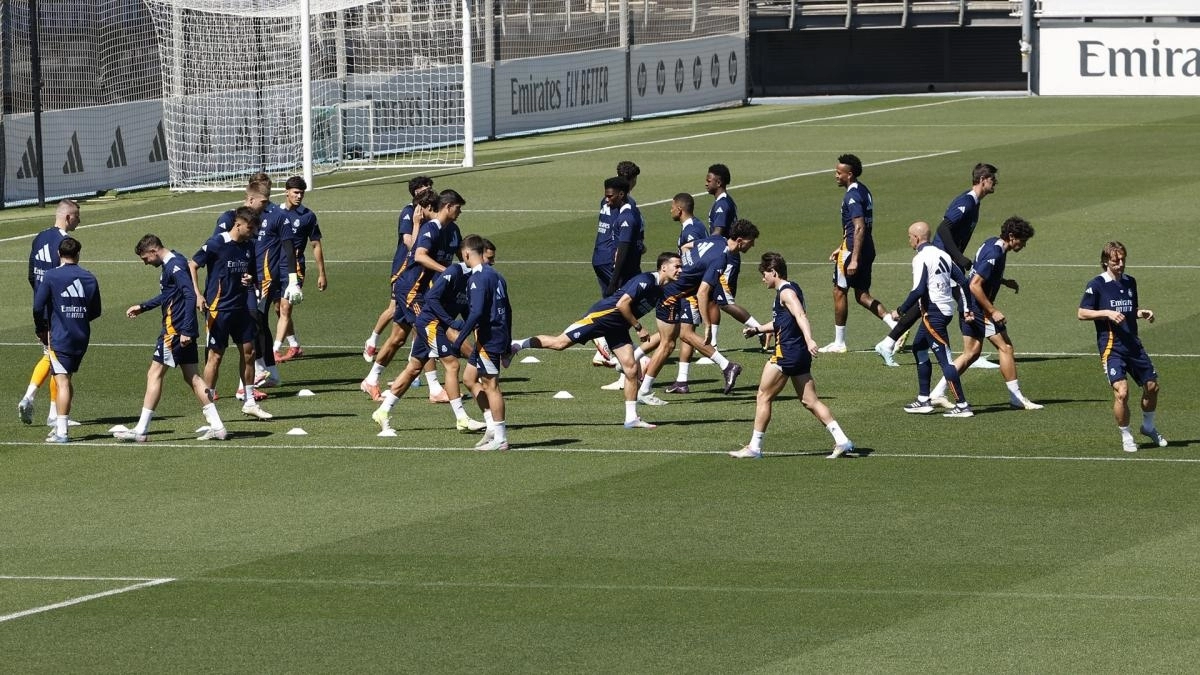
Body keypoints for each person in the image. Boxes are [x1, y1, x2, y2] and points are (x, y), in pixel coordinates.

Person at [512, 252, 683, 429]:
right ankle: (517, 344)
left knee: (631, 368)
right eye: (677, 266)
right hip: (600, 318)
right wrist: (638, 327)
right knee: (559, 343)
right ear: (664, 267)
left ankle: (631, 418)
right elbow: (621, 304)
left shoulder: (662, 289)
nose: (680, 270)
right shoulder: (646, 281)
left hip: (618, 327)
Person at [731, 253, 854, 459]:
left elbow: (800, 316)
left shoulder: (786, 293)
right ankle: (842, 440)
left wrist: (810, 339)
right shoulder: (792, 287)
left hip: (786, 353)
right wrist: (758, 329)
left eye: (764, 274)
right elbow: (783, 321)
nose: (763, 279)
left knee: (763, 396)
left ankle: (754, 447)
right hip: (798, 354)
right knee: (810, 401)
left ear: (774, 272)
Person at [876, 163, 999, 367]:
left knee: (924, 304)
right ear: (983, 179)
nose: (996, 182)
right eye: (993, 179)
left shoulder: (975, 203)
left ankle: (887, 343)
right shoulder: (966, 201)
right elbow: (944, 228)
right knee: (965, 299)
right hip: (943, 259)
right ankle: (970, 355)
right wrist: (958, 258)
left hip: (946, 258)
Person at [371, 235, 490, 434]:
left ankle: (382, 411)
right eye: (488, 259)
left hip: (437, 325)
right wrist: (451, 322)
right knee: (452, 364)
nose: (490, 263)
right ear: (473, 255)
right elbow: (432, 297)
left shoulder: (475, 280)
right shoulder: (455, 272)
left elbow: (468, 312)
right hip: (430, 323)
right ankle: (461, 418)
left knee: (414, 368)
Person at [114, 235, 228, 442]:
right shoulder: (175, 260)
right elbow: (169, 295)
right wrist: (143, 307)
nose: (145, 263)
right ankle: (218, 427)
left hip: (174, 331)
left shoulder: (174, 266)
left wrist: (185, 329)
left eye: (145, 258)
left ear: (153, 251)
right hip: (181, 330)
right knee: (192, 377)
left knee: (154, 374)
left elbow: (190, 295)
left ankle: (141, 430)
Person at [636, 219, 760, 405]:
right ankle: (642, 388)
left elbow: (686, 247)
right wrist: (708, 323)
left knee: (683, 335)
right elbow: (703, 292)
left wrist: (687, 269)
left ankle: (727, 366)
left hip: (678, 292)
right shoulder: (721, 258)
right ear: (740, 240)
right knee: (668, 344)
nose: (753, 244)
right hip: (672, 295)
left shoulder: (717, 240)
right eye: (752, 241)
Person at [927, 216, 1042, 410]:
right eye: (1022, 240)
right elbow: (974, 284)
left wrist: (1003, 281)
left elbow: (980, 272)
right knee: (1005, 347)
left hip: (971, 306)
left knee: (971, 353)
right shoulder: (995, 252)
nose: (1023, 245)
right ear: (1012, 236)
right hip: (977, 308)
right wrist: (993, 310)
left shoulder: (992, 243)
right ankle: (1016, 398)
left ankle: (937, 392)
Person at [360, 189, 462, 401]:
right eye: (458, 208)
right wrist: (447, 272)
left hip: (421, 289)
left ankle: (371, 379)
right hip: (411, 290)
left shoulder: (450, 230)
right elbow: (417, 253)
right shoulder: (429, 228)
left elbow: (461, 257)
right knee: (426, 330)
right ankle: (435, 388)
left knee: (398, 338)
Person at [1078, 241, 1168, 453]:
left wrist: (1140, 313)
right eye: (1115, 260)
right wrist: (1106, 313)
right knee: (1122, 392)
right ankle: (1126, 436)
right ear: (1105, 261)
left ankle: (1148, 426)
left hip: (1133, 344)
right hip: (1112, 347)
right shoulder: (1096, 284)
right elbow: (1082, 313)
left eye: (1123, 259)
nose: (1120, 264)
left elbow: (1129, 309)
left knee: (1152, 387)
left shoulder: (1130, 282)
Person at [189, 206, 274, 420]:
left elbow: (252, 273)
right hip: (219, 310)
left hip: (241, 308)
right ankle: (209, 408)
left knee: (249, 352)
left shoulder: (249, 246)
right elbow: (192, 265)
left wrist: (250, 279)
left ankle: (249, 401)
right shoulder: (216, 243)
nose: (253, 233)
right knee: (215, 356)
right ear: (238, 224)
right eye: (250, 228)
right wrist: (198, 295)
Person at [893, 221, 973, 418]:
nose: (909, 240)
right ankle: (923, 400)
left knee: (945, 360)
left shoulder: (920, 258)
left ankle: (962, 405)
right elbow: (963, 281)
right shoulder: (943, 254)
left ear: (917, 238)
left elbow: (919, 290)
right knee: (919, 347)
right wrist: (966, 308)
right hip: (945, 310)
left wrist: (901, 310)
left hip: (934, 312)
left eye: (910, 237)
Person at [819, 153, 897, 353]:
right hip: (865, 247)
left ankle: (839, 343)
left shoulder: (852, 195)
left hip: (855, 250)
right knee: (862, 295)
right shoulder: (863, 190)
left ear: (850, 174)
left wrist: (852, 257)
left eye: (839, 172)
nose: (836, 175)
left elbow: (859, 227)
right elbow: (855, 229)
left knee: (839, 291)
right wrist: (842, 245)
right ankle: (895, 326)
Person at [18, 199, 80, 427]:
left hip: (41, 305)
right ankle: (53, 412)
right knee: (59, 360)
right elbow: (64, 278)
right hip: (57, 311)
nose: (79, 221)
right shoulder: (66, 243)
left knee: (50, 355)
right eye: (77, 217)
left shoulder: (40, 237)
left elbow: (31, 275)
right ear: (68, 217)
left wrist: (40, 298)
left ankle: (31, 397)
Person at [33, 237, 101, 443]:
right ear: (78, 254)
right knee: (67, 379)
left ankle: (61, 431)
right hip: (81, 336)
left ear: (58, 254)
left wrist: (42, 328)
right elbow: (95, 311)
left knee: (61, 382)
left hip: (60, 336)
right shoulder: (89, 277)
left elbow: (38, 306)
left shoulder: (52, 276)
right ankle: (60, 426)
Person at [450, 237, 513, 451]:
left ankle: (501, 438)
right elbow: (508, 309)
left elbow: (476, 313)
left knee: (491, 385)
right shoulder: (496, 275)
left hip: (488, 337)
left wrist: (459, 339)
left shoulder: (477, 278)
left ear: (467, 254)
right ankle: (491, 427)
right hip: (495, 335)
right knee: (468, 378)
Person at [363, 176, 433, 363]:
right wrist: (422, 252)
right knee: (395, 309)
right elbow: (408, 242)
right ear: (415, 192)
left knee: (414, 316)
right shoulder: (409, 212)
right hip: (403, 269)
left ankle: (414, 358)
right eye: (423, 188)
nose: (428, 191)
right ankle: (372, 340)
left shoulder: (430, 211)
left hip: (420, 271)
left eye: (429, 187)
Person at [274, 176, 327, 361]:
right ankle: (294, 345)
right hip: (272, 266)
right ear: (286, 191)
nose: (299, 196)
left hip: (294, 267)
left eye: (301, 193)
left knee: (285, 308)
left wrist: (321, 273)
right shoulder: (274, 212)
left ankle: (275, 350)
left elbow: (315, 245)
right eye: (296, 192)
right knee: (277, 309)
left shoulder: (307, 216)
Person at [662, 193, 709, 395]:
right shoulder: (692, 227)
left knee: (685, 333)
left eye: (672, 206)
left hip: (689, 290)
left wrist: (681, 287)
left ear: (680, 209)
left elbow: (694, 264)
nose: (670, 210)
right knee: (684, 334)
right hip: (689, 289)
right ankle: (682, 380)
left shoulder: (692, 231)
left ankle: (726, 364)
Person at [703, 163, 737, 348]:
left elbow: (718, 232)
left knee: (723, 301)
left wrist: (702, 247)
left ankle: (760, 328)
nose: (706, 184)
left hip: (725, 258)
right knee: (714, 299)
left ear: (719, 181)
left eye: (709, 181)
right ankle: (712, 343)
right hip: (721, 257)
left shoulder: (722, 204)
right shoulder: (721, 201)